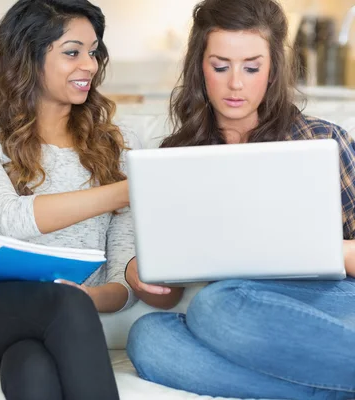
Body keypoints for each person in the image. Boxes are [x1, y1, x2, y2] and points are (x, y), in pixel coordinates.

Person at [124, 0, 355, 399]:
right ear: (200, 67)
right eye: (220, 66)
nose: (235, 84)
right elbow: (169, 294)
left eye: (251, 67)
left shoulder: (321, 140)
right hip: (247, 323)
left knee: (214, 304)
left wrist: (314, 249)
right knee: (148, 338)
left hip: (328, 307)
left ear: (272, 71)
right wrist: (139, 273)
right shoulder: (175, 157)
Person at [0, 1, 140, 399]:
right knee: (61, 306)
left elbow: (121, 284)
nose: (90, 66)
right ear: (28, 57)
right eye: (72, 52)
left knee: (32, 365)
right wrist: (130, 189)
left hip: (52, 321)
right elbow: (14, 218)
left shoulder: (119, 146)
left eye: (93, 52)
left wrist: (88, 296)